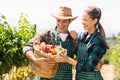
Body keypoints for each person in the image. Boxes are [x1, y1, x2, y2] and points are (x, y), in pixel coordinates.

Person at [22, 6, 78, 80]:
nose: (60, 24)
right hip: (44, 77)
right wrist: (35, 60)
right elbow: (27, 46)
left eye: (64, 21)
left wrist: (97, 63)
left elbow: (83, 58)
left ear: (70, 21)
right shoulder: (47, 34)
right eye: (58, 20)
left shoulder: (73, 39)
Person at [55, 6, 109, 80]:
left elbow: (89, 67)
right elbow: (78, 53)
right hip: (79, 77)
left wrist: (67, 60)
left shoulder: (98, 42)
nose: (83, 22)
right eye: (82, 19)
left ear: (95, 21)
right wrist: (74, 39)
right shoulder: (82, 36)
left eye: (86, 20)